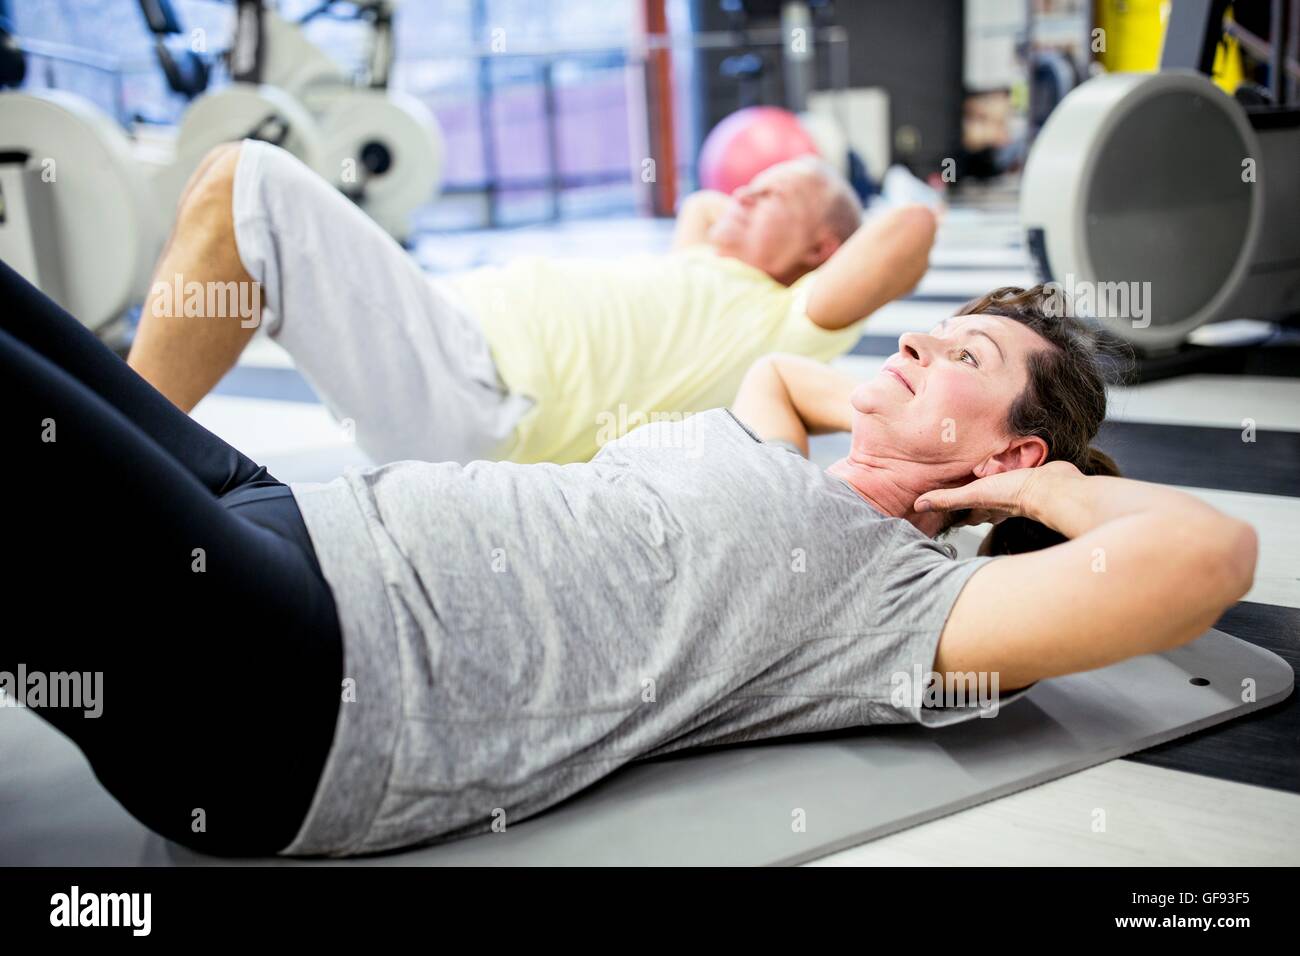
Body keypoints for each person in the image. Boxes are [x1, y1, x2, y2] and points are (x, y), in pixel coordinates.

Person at [2, 266, 1257, 859]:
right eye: (934, 329)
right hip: (285, 515)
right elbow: (779, 374)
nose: (922, 339)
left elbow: (1209, 555)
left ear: (1015, 447)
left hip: (304, 679)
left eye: (964, 361)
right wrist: (921, 398)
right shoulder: (779, 443)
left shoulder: (908, 597)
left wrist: (1030, 485)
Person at [126, 140, 938, 466]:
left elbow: (906, 228)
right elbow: (698, 204)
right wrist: (750, 212)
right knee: (221, 187)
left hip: (482, 398)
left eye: (776, 193)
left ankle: (109, 451)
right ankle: (107, 432)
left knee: (247, 182)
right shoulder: (697, 265)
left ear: (822, 253)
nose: (747, 188)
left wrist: (851, 186)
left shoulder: (783, 320)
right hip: (454, 352)